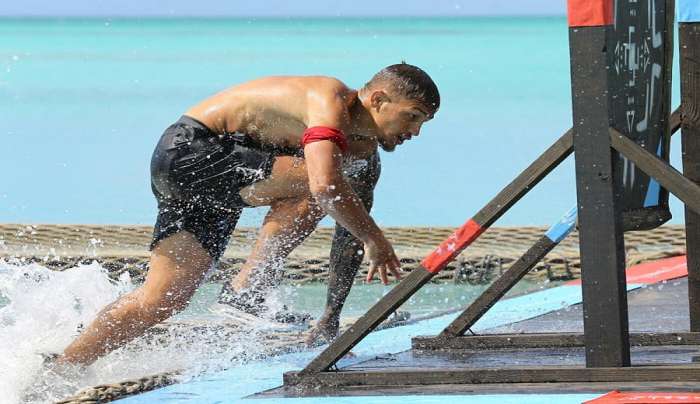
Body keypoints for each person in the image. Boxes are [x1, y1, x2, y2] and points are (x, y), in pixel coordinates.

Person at [55, 63, 439, 366]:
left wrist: (330, 318)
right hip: (190, 151)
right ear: (378, 99)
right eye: (413, 116)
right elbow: (325, 188)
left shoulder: (363, 158)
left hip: (216, 182)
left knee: (161, 300)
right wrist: (376, 238)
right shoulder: (329, 97)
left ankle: (63, 367)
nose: (416, 132)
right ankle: (246, 291)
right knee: (328, 183)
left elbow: (348, 233)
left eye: (424, 123)